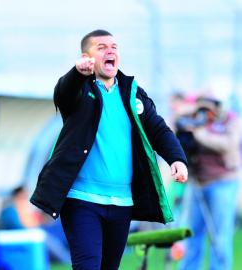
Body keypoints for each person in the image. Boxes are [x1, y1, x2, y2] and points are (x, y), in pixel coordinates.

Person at [30, 29, 188, 269]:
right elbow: (64, 92)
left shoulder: (133, 93)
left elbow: (159, 130)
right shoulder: (80, 91)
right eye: (101, 47)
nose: (110, 50)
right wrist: (76, 73)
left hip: (122, 203)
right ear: (87, 57)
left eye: (114, 46)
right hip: (81, 200)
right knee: (88, 265)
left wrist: (177, 159)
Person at [177, 95, 240, 270]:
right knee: (192, 234)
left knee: (220, 236)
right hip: (198, 183)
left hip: (223, 184)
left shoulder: (230, 121)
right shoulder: (194, 119)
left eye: (208, 109)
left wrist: (198, 132)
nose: (205, 113)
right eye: (201, 108)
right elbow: (173, 125)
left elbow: (227, 144)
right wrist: (187, 116)